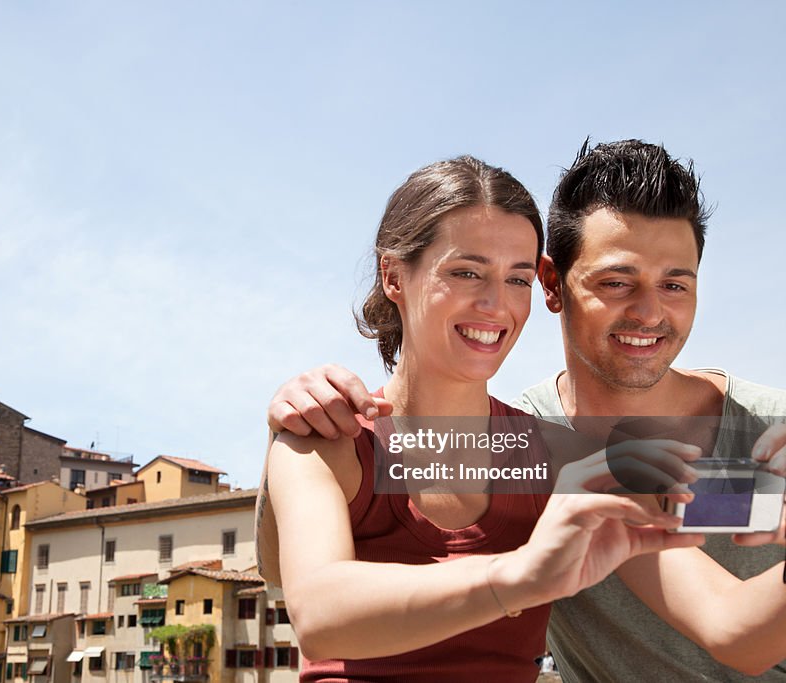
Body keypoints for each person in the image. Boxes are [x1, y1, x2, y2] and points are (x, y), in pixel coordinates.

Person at [261, 140, 786, 680]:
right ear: (394, 276)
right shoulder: (322, 434)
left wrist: (764, 499)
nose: (497, 304)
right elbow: (321, 615)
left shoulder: (560, 456)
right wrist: (523, 574)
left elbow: (732, 623)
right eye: (466, 272)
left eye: (516, 278)